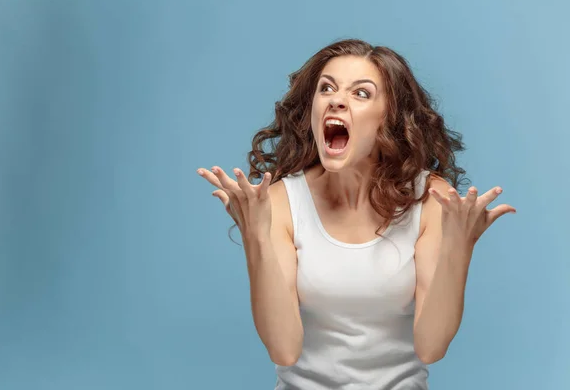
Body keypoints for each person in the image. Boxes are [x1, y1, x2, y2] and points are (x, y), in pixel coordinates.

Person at [197, 39, 516, 389]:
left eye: (361, 93)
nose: (336, 100)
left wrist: (459, 246)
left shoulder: (431, 198)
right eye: (326, 88)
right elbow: (283, 349)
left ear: (389, 119)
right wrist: (255, 235)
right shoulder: (280, 202)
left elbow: (431, 346)